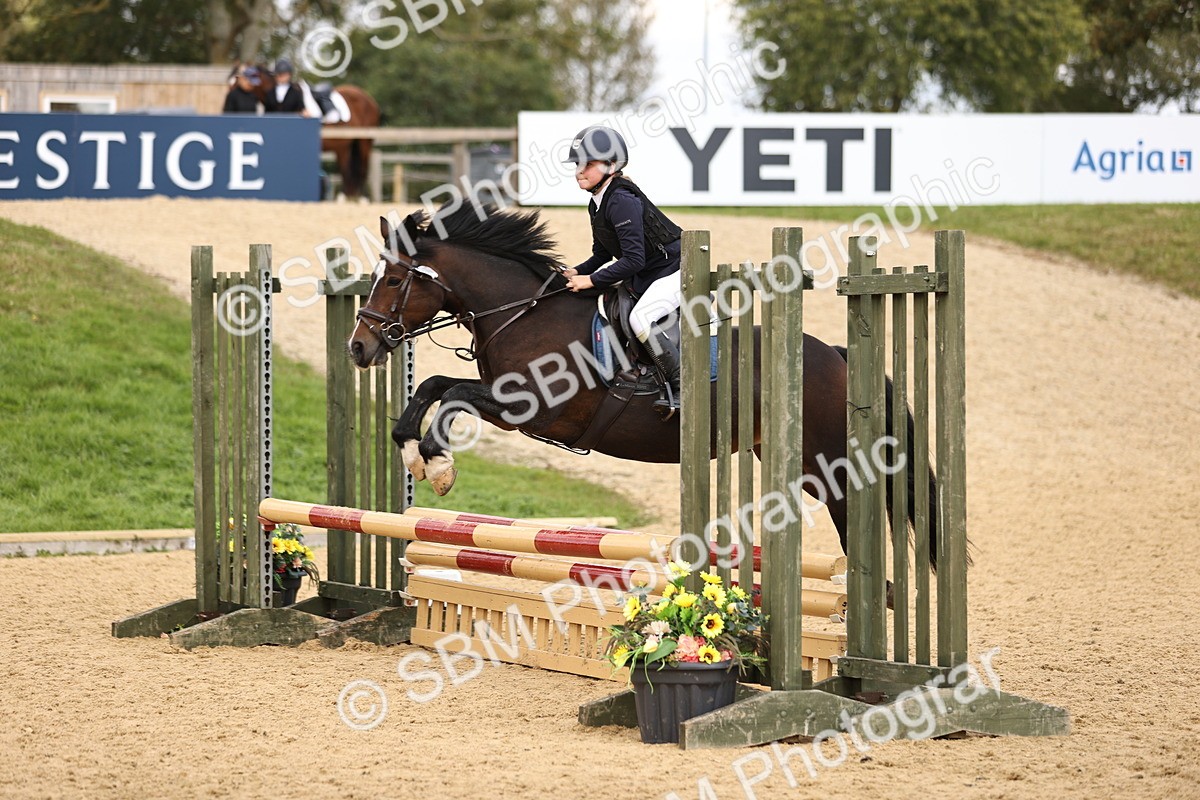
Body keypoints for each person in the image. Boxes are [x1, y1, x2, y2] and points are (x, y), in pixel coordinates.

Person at [563, 125, 684, 414]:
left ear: (612, 165)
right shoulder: (597, 201)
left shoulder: (620, 200)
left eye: (588, 164)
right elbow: (602, 253)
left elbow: (633, 260)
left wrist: (589, 281)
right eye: (577, 164)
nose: (579, 170)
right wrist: (574, 271)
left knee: (641, 320)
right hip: (651, 270)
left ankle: (681, 386)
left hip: (676, 269)